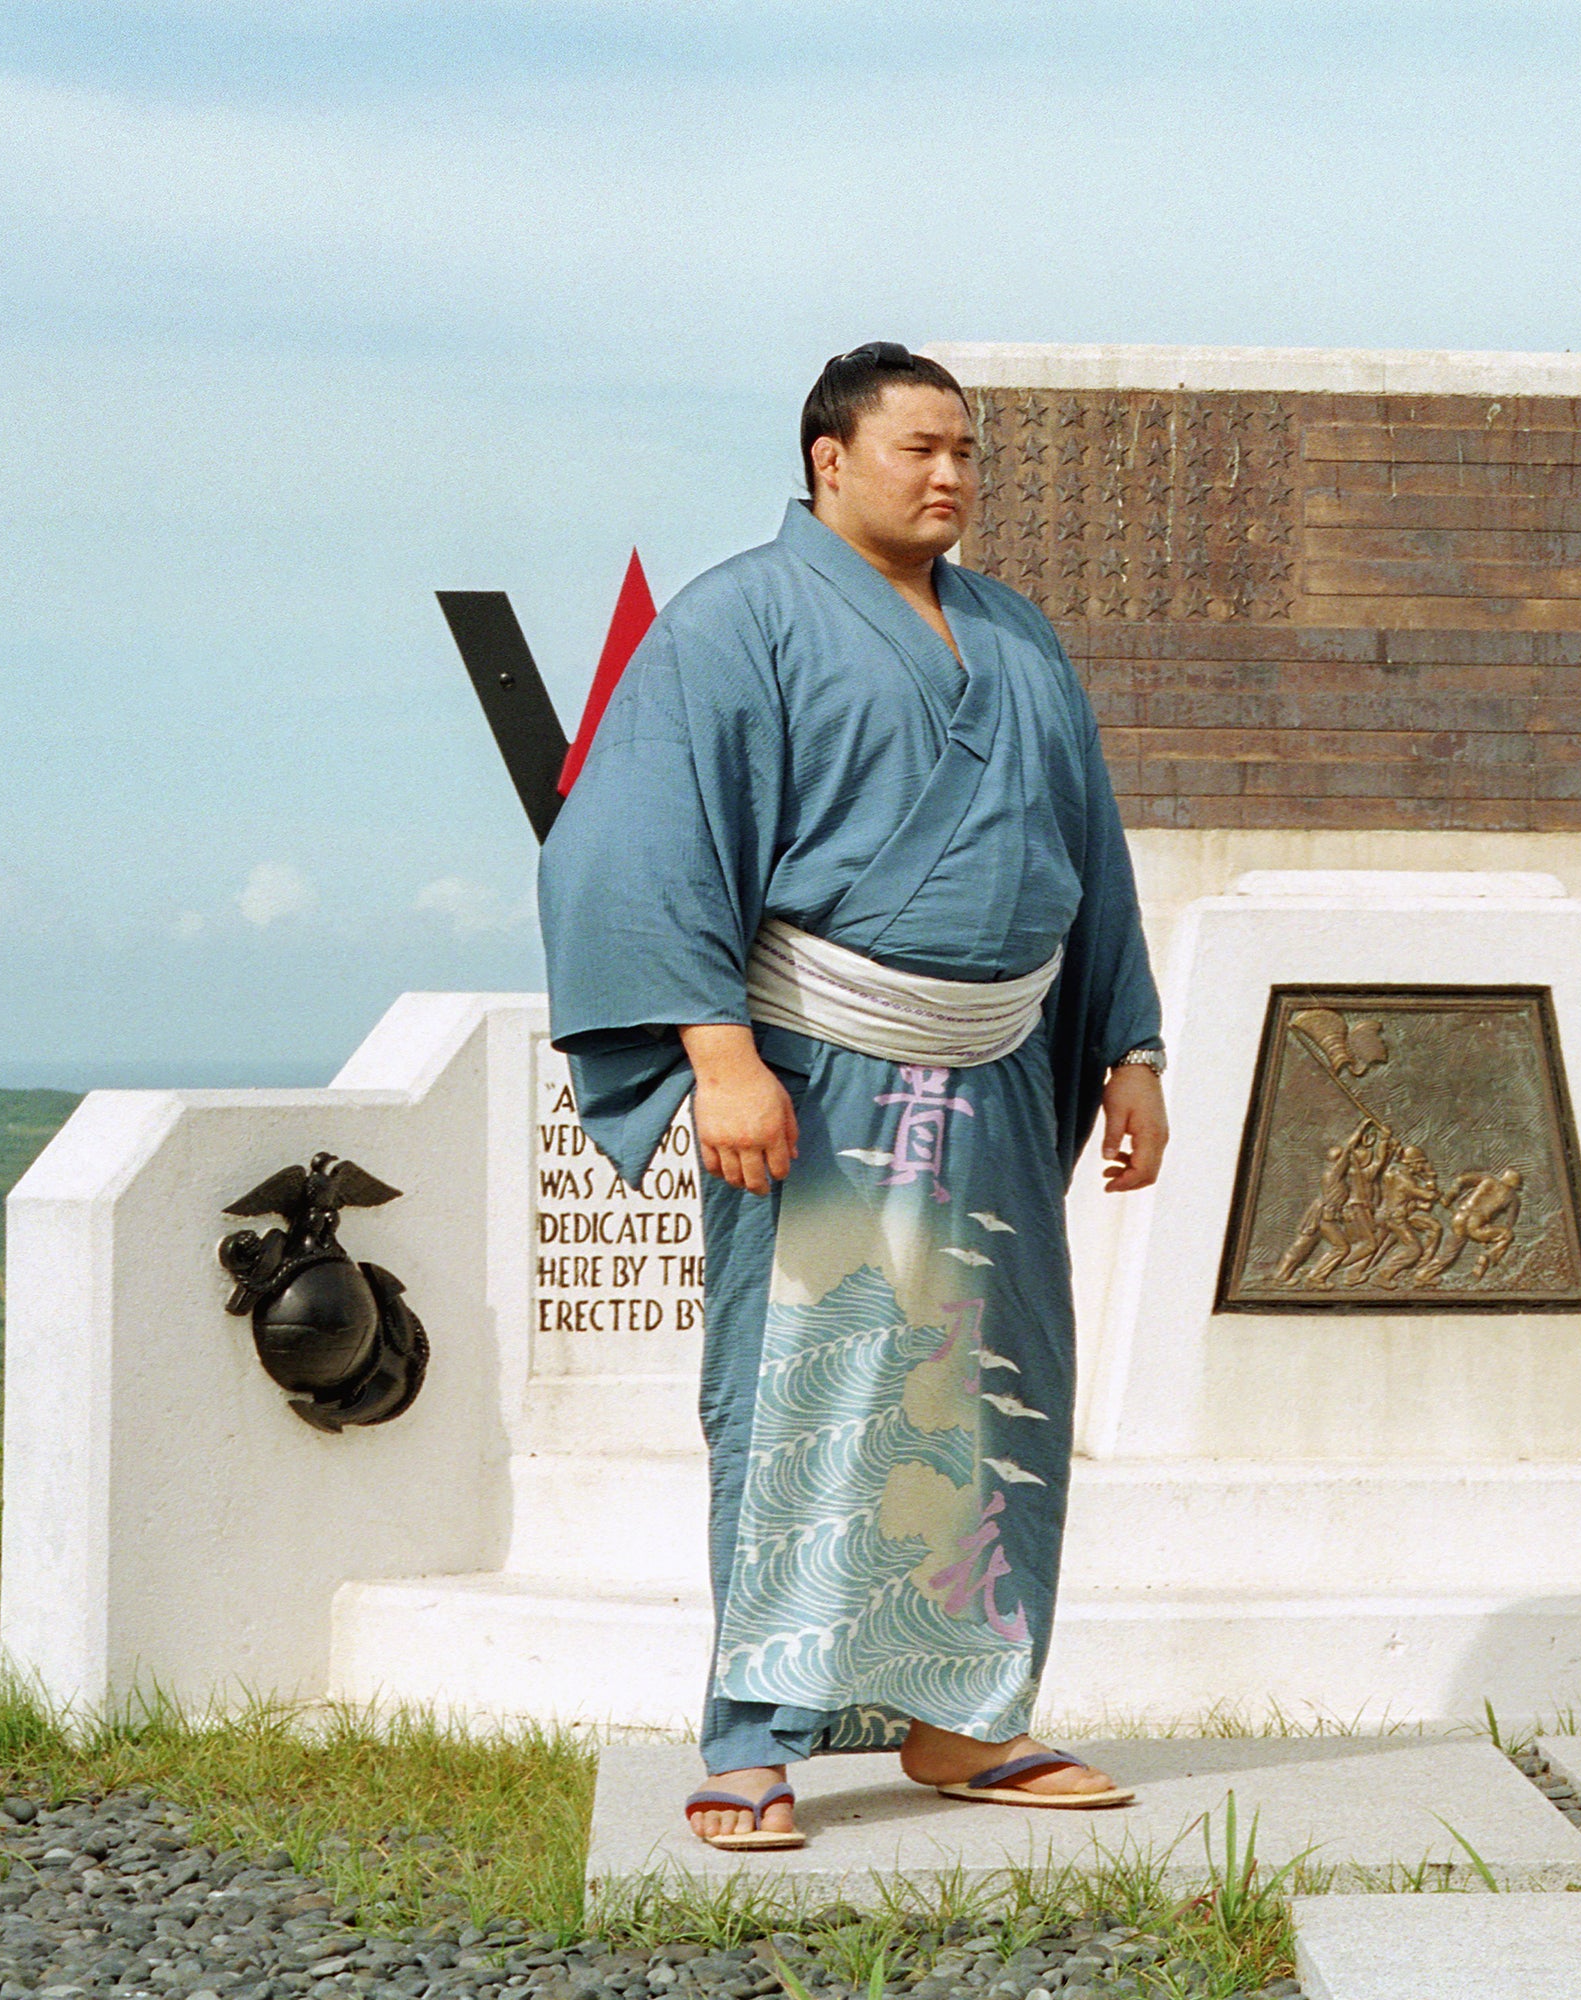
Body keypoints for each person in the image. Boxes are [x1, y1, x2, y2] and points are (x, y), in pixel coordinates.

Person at [540, 343, 1169, 1850]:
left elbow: (1091, 852)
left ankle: (967, 1720)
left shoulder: (1017, 634)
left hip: (1006, 1063)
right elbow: (633, 847)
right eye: (919, 451)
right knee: (800, 1390)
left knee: (993, 1385)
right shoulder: (732, 623)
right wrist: (715, 1052)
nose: (950, 476)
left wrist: (1128, 1046)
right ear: (830, 459)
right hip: (817, 1064)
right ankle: (752, 1739)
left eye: (966, 452)